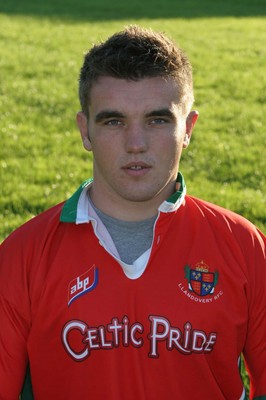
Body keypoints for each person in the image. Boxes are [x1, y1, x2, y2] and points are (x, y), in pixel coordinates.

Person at [0, 25, 265, 400]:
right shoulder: (22, 255)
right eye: (114, 121)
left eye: (157, 120)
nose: (136, 144)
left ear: (188, 128)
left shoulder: (244, 246)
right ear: (85, 130)